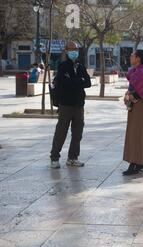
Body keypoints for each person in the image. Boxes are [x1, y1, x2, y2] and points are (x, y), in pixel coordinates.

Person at [50, 41, 91, 169]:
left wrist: (76, 81)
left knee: (78, 133)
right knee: (61, 132)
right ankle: (54, 158)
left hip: (79, 105)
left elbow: (88, 82)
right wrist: (80, 81)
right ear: (66, 51)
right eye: (72, 49)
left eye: (76, 49)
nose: (75, 51)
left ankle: (73, 157)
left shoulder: (80, 67)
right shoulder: (63, 66)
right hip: (66, 105)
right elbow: (66, 83)